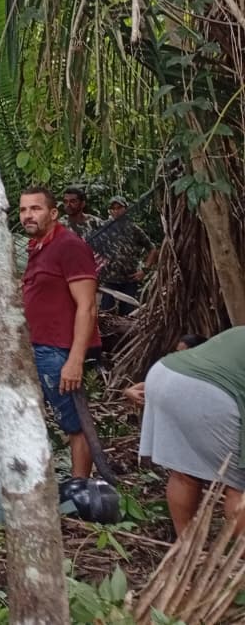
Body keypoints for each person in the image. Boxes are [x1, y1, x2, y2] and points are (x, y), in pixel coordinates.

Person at [19, 186, 100, 479]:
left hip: (59, 351)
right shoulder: (39, 248)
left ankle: (81, 488)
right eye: (24, 209)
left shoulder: (69, 246)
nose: (28, 215)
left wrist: (74, 360)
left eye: (36, 209)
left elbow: (87, 306)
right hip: (38, 348)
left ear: (53, 213)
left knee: (75, 423)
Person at [138, 326, 245, 536]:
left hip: (165, 374)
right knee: (239, 485)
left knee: (184, 473)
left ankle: (184, 550)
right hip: (210, 393)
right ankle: (239, 560)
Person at [95, 195, 157, 314]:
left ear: (126, 209)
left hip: (129, 279)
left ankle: (127, 333)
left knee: (128, 314)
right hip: (108, 280)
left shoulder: (133, 229)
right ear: (110, 211)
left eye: (119, 207)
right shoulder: (102, 228)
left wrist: (145, 270)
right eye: (113, 208)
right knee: (105, 314)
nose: (116, 211)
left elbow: (152, 249)